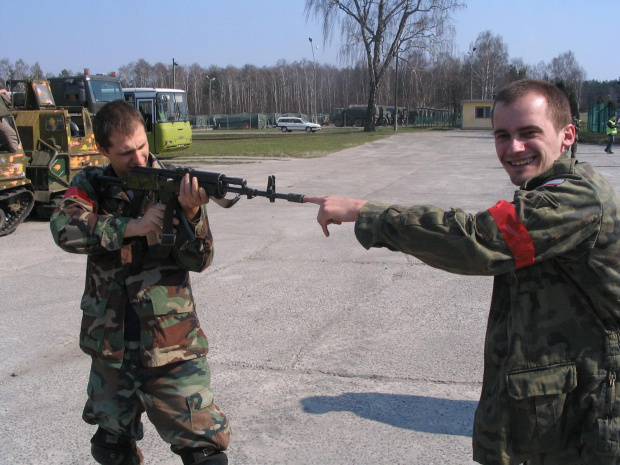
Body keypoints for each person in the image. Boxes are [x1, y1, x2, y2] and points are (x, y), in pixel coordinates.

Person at [305, 79, 620, 465]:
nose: (514, 148)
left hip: (584, 423)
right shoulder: (547, 191)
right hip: (554, 415)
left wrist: (366, 212)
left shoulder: (575, 199)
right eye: (502, 135)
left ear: (567, 135)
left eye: (529, 133)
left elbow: (476, 239)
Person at [50, 100, 231, 465]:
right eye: (126, 152)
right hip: (111, 345)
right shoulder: (89, 184)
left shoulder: (176, 184)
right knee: (110, 448)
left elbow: (200, 259)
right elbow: (64, 229)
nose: (139, 158)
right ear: (103, 150)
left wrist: (192, 212)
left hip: (171, 343)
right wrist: (131, 227)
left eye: (142, 147)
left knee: (205, 453)